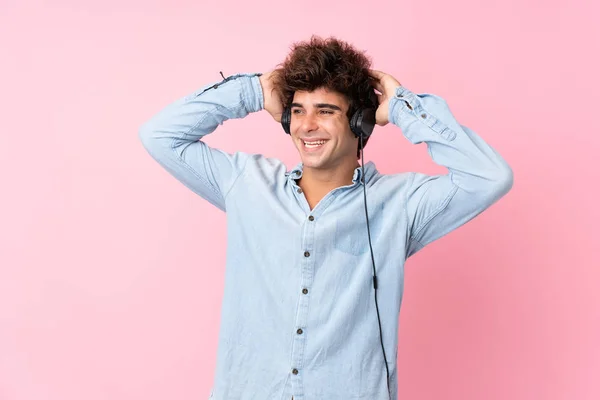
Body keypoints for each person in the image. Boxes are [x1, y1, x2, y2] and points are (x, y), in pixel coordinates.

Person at [138, 35, 513, 400]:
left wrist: (403, 107)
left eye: (326, 111)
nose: (306, 125)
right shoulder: (247, 184)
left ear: (359, 124)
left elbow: (489, 177)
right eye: (298, 111)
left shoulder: (400, 204)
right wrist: (251, 92)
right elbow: (159, 135)